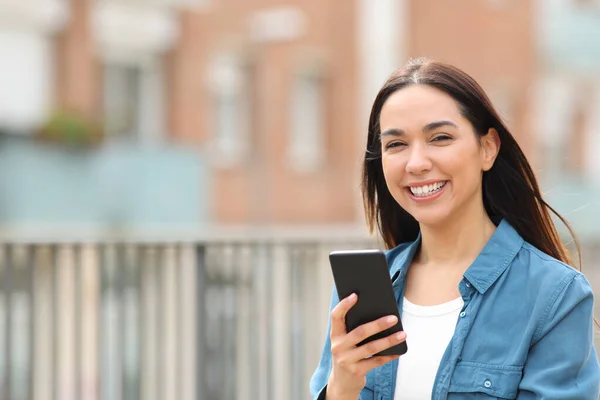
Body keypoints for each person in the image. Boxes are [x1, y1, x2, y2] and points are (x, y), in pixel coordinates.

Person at [309, 58, 600, 400]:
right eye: (396, 144)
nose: (416, 163)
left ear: (487, 148)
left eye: (440, 137)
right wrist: (341, 386)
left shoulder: (553, 295)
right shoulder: (365, 290)